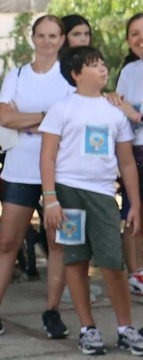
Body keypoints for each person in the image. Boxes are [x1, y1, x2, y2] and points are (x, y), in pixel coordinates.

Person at [40, 46, 143, 356]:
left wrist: (135, 203)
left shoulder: (115, 112)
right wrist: (50, 199)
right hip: (68, 192)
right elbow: (48, 156)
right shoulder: (61, 108)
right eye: (93, 65)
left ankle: (125, 328)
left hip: (102, 195)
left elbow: (126, 164)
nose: (102, 69)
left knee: (112, 262)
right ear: (75, 74)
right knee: (75, 258)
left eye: (102, 63)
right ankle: (88, 328)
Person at [0, 14, 74, 339]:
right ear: (32, 38)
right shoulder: (17, 75)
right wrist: (48, 117)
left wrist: (31, 122)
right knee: (7, 242)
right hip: (20, 169)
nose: (47, 41)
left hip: (60, 171)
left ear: (62, 39)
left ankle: (52, 311)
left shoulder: (69, 77)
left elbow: (72, 119)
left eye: (54, 35)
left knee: (58, 244)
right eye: (42, 35)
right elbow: (4, 117)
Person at [113, 13, 143, 290]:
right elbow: (118, 110)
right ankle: (136, 274)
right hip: (134, 152)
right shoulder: (128, 72)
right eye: (134, 33)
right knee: (134, 211)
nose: (140, 38)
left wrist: (134, 114)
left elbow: (129, 112)